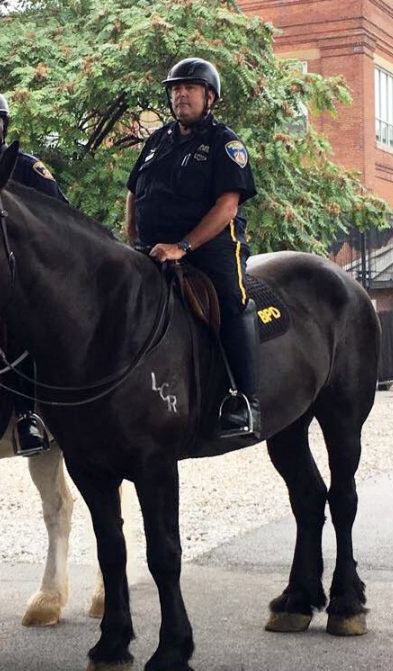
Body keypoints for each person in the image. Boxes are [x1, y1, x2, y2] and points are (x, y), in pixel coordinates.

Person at [125, 57, 260, 439]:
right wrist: (132, 235)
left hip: (210, 247)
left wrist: (183, 246)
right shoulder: (158, 140)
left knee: (231, 300)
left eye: (190, 88)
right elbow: (134, 190)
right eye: (175, 89)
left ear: (210, 97)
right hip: (152, 247)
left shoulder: (225, 143)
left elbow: (228, 206)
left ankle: (245, 400)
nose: (181, 94)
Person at [0, 88, 66, 455]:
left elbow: (59, 215)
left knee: (21, 327)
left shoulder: (26, 166)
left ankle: (27, 417)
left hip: (24, 274)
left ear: (4, 125)